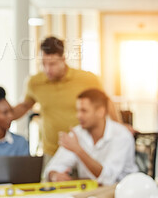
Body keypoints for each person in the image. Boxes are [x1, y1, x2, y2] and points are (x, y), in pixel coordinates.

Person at [12, 36, 121, 165]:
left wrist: (120, 128)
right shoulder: (34, 82)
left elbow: (106, 103)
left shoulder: (87, 79)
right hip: (51, 152)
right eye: (44, 64)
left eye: (52, 64)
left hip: (84, 150)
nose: (48, 69)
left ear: (63, 59)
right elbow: (24, 106)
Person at [44, 89, 138, 186]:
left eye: (84, 111)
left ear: (100, 112)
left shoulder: (121, 135)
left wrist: (78, 150)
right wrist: (55, 175)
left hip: (121, 190)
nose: (78, 116)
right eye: (78, 110)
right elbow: (53, 167)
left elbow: (108, 178)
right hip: (91, 191)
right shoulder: (77, 133)